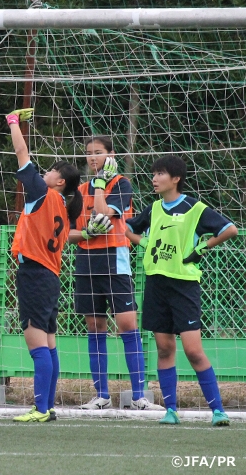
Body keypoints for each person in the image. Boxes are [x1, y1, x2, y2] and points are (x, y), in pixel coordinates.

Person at [125, 155, 237, 426]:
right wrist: (143, 243)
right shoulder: (153, 208)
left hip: (184, 286)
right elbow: (127, 228)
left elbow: (229, 230)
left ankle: (218, 411)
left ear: (175, 179)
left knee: (193, 350)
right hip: (156, 284)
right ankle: (171, 411)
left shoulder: (195, 208)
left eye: (160, 173)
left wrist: (202, 248)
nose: (154, 178)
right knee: (164, 349)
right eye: (153, 174)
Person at [68, 136, 162, 410]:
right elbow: (68, 234)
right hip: (86, 263)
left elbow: (103, 211)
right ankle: (102, 395)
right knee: (95, 326)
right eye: (88, 153)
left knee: (127, 325)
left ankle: (139, 396)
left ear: (111, 155)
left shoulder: (121, 184)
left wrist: (99, 185)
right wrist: (85, 232)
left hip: (114, 263)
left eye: (98, 153)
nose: (92, 158)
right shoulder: (80, 189)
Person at [7, 108, 85, 423]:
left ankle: (40, 408)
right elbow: (67, 238)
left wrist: (13, 122)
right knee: (49, 344)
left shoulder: (43, 192)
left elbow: (21, 151)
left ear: (59, 181)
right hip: (49, 277)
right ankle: (47, 407)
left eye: (50, 170)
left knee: (36, 342)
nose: (45, 172)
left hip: (35, 275)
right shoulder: (65, 210)